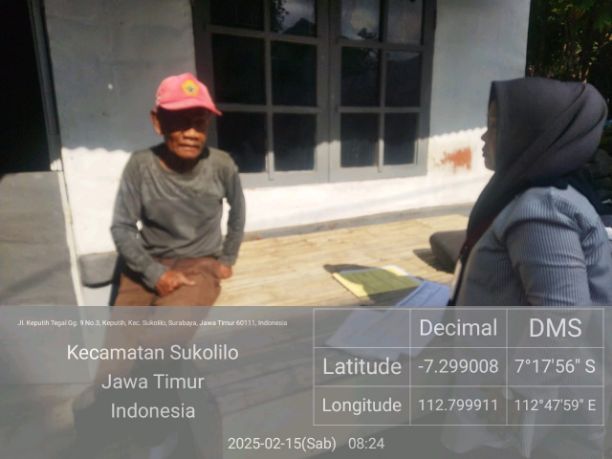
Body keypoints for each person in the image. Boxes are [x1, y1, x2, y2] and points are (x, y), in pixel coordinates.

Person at [451, 77, 612, 306]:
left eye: (496, 126)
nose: (484, 136)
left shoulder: (544, 210)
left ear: (532, 135)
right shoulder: (520, 192)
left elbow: (561, 325)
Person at [111, 72, 246, 306]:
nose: (191, 134)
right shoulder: (140, 165)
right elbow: (122, 227)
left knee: (169, 327)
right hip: (147, 261)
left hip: (200, 262)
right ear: (158, 122)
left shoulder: (221, 164)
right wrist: (154, 273)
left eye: (199, 123)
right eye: (180, 122)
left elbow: (238, 211)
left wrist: (228, 258)